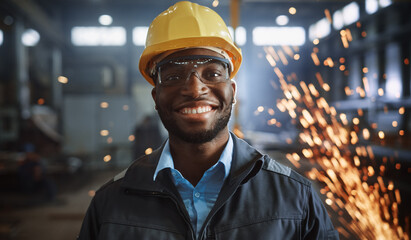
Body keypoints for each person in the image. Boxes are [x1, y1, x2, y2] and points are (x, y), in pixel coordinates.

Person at [78, 1, 339, 239]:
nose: (194, 90)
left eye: (212, 73)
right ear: (156, 97)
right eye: (173, 76)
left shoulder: (295, 196)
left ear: (232, 92)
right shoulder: (110, 203)